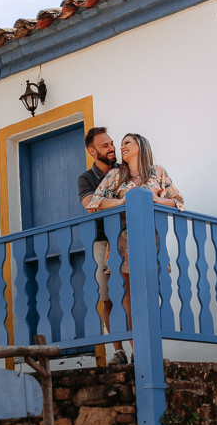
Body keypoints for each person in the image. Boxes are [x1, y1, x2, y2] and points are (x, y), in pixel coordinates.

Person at [86, 133, 184, 363]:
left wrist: (158, 200)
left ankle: (148, 347)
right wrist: (120, 202)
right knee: (128, 296)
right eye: (121, 145)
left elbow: (179, 201)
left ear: (140, 145)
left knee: (148, 296)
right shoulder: (115, 175)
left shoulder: (157, 172)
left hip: (152, 242)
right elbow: (95, 203)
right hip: (123, 244)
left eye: (127, 143)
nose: (122, 147)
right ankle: (139, 350)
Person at [77, 127, 120, 360]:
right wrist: (125, 201)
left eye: (112, 143)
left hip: (126, 239)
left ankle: (139, 350)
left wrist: (106, 202)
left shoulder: (124, 171)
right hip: (101, 242)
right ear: (91, 151)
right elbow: (90, 204)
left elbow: (99, 202)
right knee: (107, 298)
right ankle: (119, 350)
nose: (112, 148)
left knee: (131, 295)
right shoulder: (85, 178)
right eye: (105, 146)